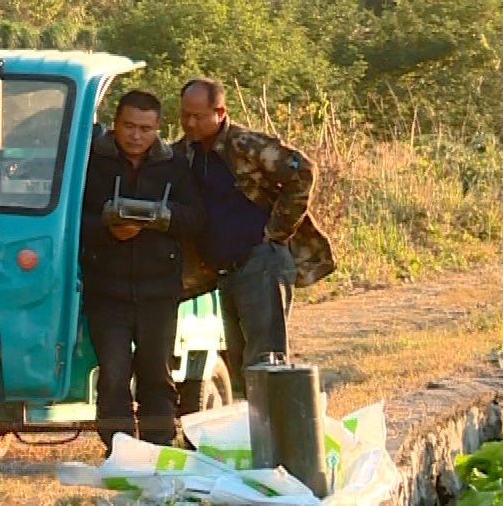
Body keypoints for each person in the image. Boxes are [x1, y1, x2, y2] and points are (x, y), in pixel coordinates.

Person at [175, 77, 335, 393]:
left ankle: (272, 436)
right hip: (224, 271)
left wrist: (276, 232)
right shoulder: (186, 153)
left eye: (198, 116)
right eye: (184, 115)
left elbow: (303, 171)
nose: (190, 123)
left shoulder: (246, 145)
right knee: (239, 365)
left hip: (260, 262)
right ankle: (249, 433)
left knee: (264, 362)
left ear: (219, 112)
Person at [80, 89, 206, 453]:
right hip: (107, 290)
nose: (136, 136)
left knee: (156, 373)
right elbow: (69, 221)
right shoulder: (90, 162)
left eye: (146, 128)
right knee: (114, 375)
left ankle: (160, 447)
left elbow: (196, 218)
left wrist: (159, 218)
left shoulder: (175, 164)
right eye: (129, 126)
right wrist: (109, 227)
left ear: (158, 129)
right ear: (115, 123)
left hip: (158, 291)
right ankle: (120, 450)